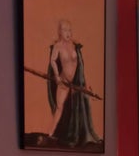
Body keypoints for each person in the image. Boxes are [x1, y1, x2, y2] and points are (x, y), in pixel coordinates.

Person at [43, 19, 102, 147]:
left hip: (76, 82)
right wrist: (57, 75)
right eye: (65, 30)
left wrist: (86, 84)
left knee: (81, 106)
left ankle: (83, 135)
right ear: (60, 32)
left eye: (69, 30)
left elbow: (81, 65)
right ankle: (50, 133)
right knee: (59, 108)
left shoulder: (75, 46)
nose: (68, 33)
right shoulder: (57, 46)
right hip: (64, 82)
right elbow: (53, 60)